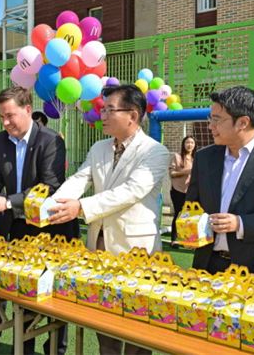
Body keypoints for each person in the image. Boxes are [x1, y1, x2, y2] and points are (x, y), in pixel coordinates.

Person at [49, 84, 169, 355]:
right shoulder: (100, 147)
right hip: (99, 247)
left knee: (137, 326)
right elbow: (80, 178)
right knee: (104, 322)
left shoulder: (155, 152)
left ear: (133, 116)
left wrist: (80, 207)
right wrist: (51, 204)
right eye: (102, 109)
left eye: (110, 110)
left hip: (136, 252)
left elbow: (129, 192)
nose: (102, 115)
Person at [0, 86, 79, 355]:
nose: (6, 122)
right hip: (19, 228)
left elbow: (49, 185)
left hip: (52, 229)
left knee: (52, 297)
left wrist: (8, 201)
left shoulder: (50, 140)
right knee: (23, 291)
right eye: (1, 116)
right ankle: (23, 348)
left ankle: (55, 350)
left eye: (10, 115)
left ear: (27, 110)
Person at [186, 86, 254, 280]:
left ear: (242, 122)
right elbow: (192, 206)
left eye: (217, 120)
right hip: (207, 266)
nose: (210, 126)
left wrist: (240, 224)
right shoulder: (204, 158)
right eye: (210, 118)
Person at [169, 135, 197, 247]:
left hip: (192, 191)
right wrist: (187, 171)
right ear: (183, 144)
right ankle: (174, 239)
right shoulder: (177, 157)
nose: (189, 145)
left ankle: (189, 241)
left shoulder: (197, 158)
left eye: (192, 143)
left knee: (190, 215)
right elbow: (172, 174)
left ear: (195, 145)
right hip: (177, 190)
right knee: (178, 213)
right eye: (187, 142)